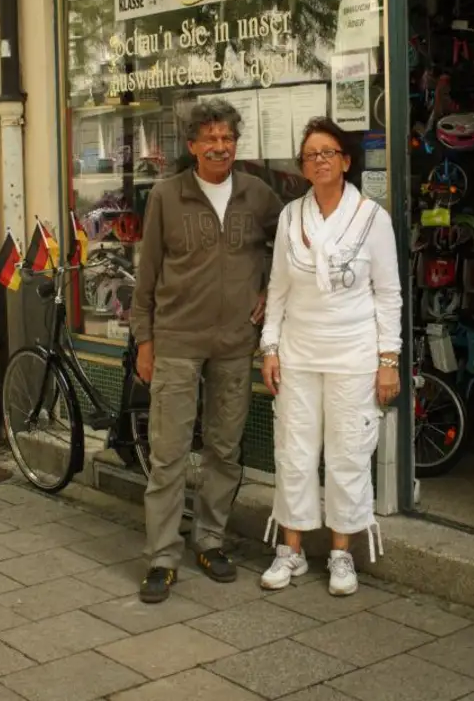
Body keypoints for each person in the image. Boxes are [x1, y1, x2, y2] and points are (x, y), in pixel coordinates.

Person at [130, 98, 282, 604]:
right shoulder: (167, 196)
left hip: (236, 342)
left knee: (224, 448)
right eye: (210, 138)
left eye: (228, 138)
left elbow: (293, 246)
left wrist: (270, 289)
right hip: (176, 340)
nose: (220, 146)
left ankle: (210, 540)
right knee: (169, 453)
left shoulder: (258, 195)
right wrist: (144, 340)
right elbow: (148, 272)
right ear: (192, 145)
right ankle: (162, 556)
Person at [258, 117, 401, 597]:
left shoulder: (372, 218)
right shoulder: (290, 217)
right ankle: (291, 549)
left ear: (345, 160)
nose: (319, 161)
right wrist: (270, 347)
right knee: (293, 454)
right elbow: (277, 288)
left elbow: (388, 294)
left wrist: (388, 360)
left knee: (348, 455)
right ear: (302, 167)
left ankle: (342, 553)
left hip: (354, 357)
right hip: (298, 355)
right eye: (310, 155)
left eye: (328, 152)